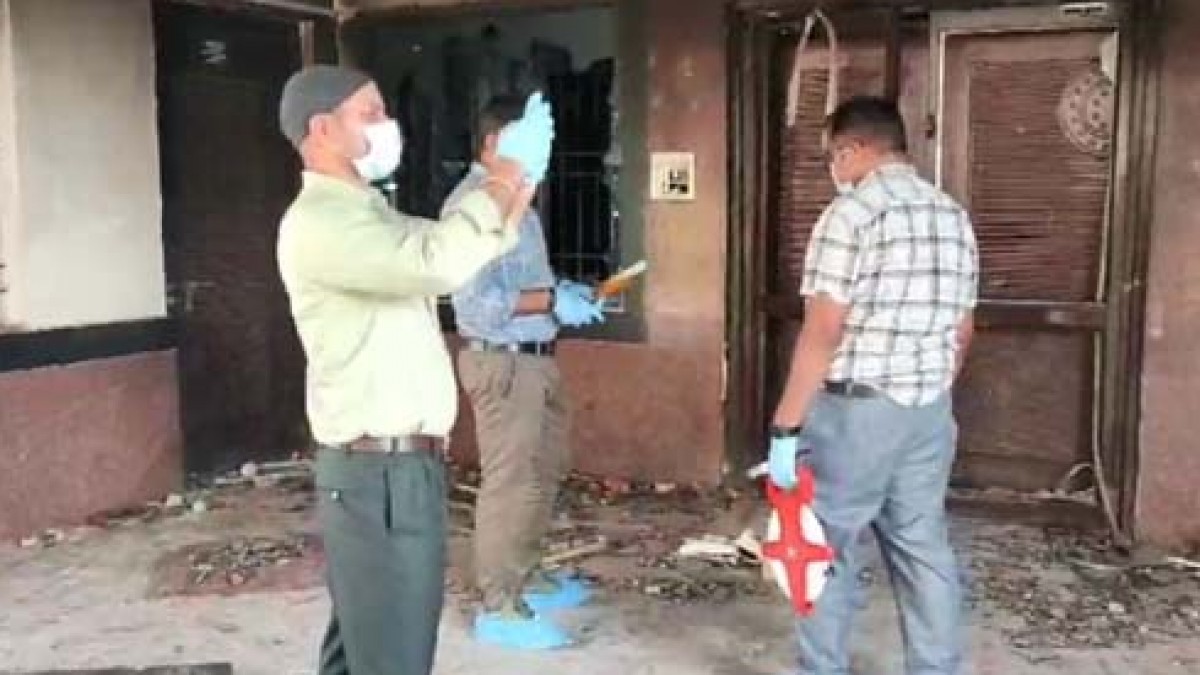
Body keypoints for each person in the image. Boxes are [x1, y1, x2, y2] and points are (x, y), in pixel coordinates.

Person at [274, 65, 552, 675]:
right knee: (393, 654)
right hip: (379, 473)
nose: (388, 125)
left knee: (366, 648)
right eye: (370, 113)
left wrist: (522, 179)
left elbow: (464, 245)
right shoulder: (322, 223)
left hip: (393, 470)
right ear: (322, 129)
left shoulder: (368, 214)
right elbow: (438, 261)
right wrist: (503, 174)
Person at [766, 96, 978, 675]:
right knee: (923, 547)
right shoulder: (952, 216)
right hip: (928, 411)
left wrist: (785, 426)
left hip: (855, 415)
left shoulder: (850, 216)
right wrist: (930, 391)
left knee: (823, 547)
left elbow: (823, 331)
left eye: (833, 156)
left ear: (853, 149)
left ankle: (823, 667)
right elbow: (962, 330)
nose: (833, 169)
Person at [444, 94, 604, 650]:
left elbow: (521, 281)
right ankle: (499, 606)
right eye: (529, 142)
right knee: (510, 483)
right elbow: (476, 305)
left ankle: (528, 575)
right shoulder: (471, 206)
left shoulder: (517, 200)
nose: (541, 154)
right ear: (493, 144)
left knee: (543, 473)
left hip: (534, 359)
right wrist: (552, 300)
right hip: (503, 359)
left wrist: (561, 292)